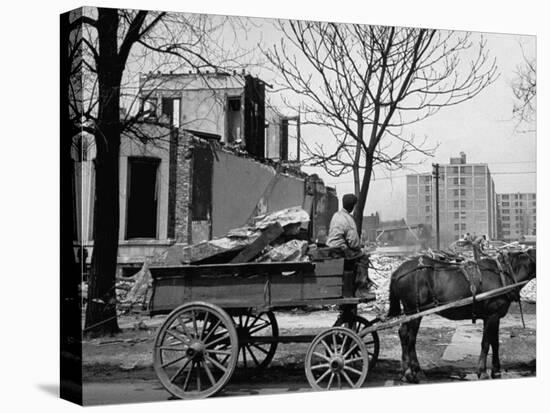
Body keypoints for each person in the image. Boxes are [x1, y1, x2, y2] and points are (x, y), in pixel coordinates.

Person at [327, 194, 374, 299]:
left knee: (356, 254)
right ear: (353, 206)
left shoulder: (336, 215)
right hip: (340, 250)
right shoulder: (348, 219)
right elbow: (353, 242)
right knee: (363, 257)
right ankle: (361, 290)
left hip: (331, 248)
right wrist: (360, 248)